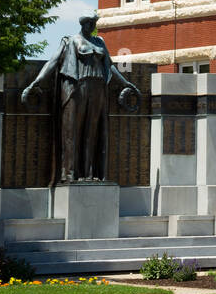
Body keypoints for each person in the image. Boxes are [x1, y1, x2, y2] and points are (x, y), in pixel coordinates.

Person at [22, 13, 140, 183]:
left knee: (92, 132)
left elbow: (110, 66)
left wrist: (126, 83)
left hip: (98, 88)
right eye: (90, 23)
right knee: (73, 131)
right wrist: (36, 82)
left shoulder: (100, 42)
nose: (92, 26)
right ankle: (70, 173)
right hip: (78, 87)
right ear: (83, 23)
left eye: (94, 23)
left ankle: (89, 173)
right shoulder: (71, 40)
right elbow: (53, 62)